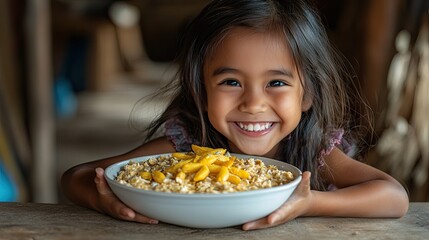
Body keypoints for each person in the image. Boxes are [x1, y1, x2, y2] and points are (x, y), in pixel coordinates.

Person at [61, 0, 409, 230]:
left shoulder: (314, 151)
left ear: (308, 97)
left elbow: (394, 197)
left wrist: (309, 203)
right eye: (231, 81)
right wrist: (102, 200)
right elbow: (78, 176)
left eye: (276, 82)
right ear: (201, 90)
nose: (253, 103)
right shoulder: (186, 147)